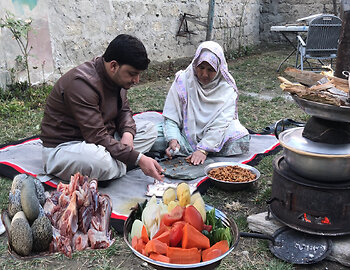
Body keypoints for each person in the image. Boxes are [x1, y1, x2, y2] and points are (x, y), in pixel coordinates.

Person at [40, 34, 164, 182]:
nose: (136, 80)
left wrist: (128, 134)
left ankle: (118, 163)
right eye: (132, 74)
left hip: (104, 141)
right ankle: (124, 164)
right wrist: (137, 158)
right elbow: (96, 135)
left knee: (149, 129)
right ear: (113, 66)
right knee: (101, 162)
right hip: (69, 147)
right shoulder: (81, 84)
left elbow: (124, 110)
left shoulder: (117, 78)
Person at [151, 41, 250, 165]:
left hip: (216, 134)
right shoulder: (183, 81)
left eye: (210, 70)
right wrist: (173, 139)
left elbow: (222, 123)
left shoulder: (227, 88)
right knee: (151, 136)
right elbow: (171, 116)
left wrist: (204, 149)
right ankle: (183, 148)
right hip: (184, 134)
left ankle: (207, 149)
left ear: (219, 69)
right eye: (201, 68)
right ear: (195, 65)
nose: (204, 74)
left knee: (241, 138)